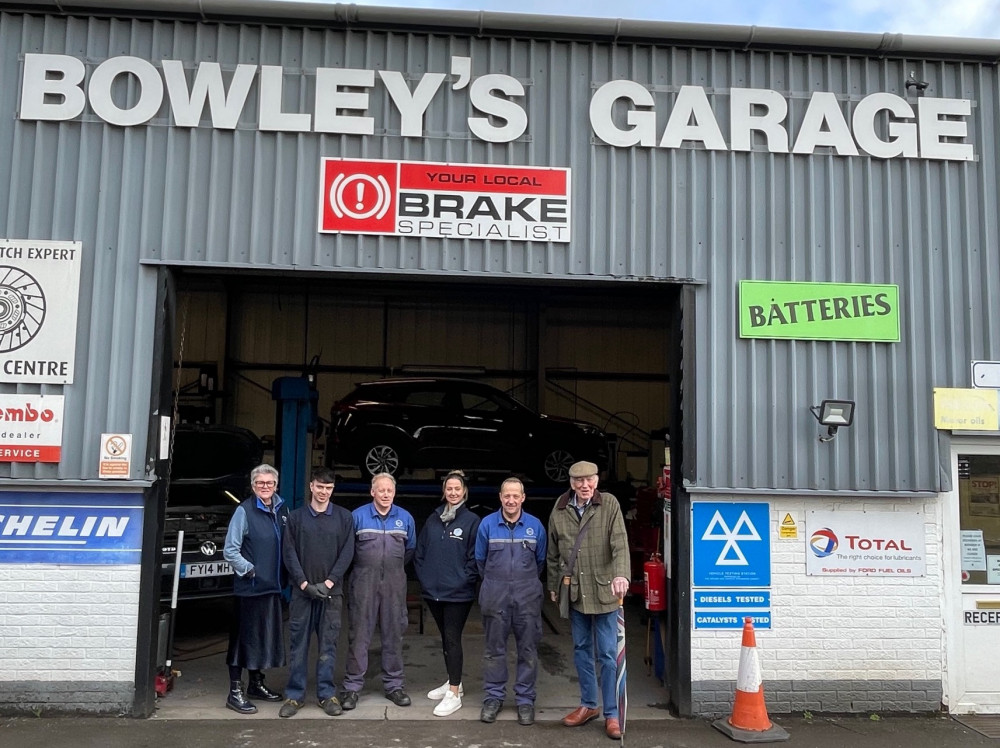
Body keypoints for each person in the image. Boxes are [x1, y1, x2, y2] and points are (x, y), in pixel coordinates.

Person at [546, 461, 631, 740]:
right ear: (571, 483)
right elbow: (553, 554)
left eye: (589, 480)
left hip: (605, 590)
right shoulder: (559, 509)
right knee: (581, 649)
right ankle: (588, 705)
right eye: (579, 481)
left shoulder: (609, 504)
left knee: (607, 654)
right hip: (575, 591)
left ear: (596, 481)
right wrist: (554, 586)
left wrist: (622, 576)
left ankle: (611, 714)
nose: (585, 486)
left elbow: (620, 543)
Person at [278, 467, 355, 718]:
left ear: (333, 490)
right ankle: (294, 696)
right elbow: (289, 552)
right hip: (302, 594)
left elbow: (347, 553)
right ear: (311, 486)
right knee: (298, 645)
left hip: (331, 595)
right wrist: (303, 584)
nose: (323, 492)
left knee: (328, 646)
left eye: (329, 488)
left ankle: (326, 694)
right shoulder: (297, 518)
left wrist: (330, 583)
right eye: (320, 487)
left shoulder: (344, 518)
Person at [340, 472, 417, 710]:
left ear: (394, 493)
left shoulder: (405, 518)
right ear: (372, 492)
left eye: (390, 491)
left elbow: (410, 550)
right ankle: (352, 688)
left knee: (394, 634)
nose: (385, 494)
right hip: (363, 581)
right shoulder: (357, 517)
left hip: (395, 581)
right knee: (359, 635)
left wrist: (390, 569)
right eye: (381, 490)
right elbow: (347, 551)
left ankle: (394, 686)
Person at [475, 477, 546, 727]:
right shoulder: (487, 525)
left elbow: (540, 562)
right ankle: (493, 698)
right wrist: (500, 584)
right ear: (500, 497)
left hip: (527, 596)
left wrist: (521, 584)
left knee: (527, 650)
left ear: (523, 498)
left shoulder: (535, 526)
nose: (511, 500)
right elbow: (480, 562)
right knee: (494, 651)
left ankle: (525, 700)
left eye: (516, 496)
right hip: (495, 594)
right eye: (507, 495)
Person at [222, 463, 289, 714]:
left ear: (276, 485)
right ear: (253, 486)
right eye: (260, 483)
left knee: (260, 640)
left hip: (272, 588)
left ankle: (255, 684)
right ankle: (235, 691)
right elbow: (230, 549)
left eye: (269, 483)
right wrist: (250, 570)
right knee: (242, 642)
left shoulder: (282, 510)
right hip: (249, 589)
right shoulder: (244, 511)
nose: (265, 487)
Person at [414, 469, 481, 717]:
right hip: (434, 593)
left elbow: (476, 560)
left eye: (457, 489)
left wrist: (461, 581)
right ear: (444, 491)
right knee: (445, 638)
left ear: (464, 491)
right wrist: (426, 580)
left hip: (458, 595)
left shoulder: (472, 521)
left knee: (452, 638)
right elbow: (419, 553)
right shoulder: (433, 519)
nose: (453, 492)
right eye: (449, 488)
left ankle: (454, 694)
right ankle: (455, 682)